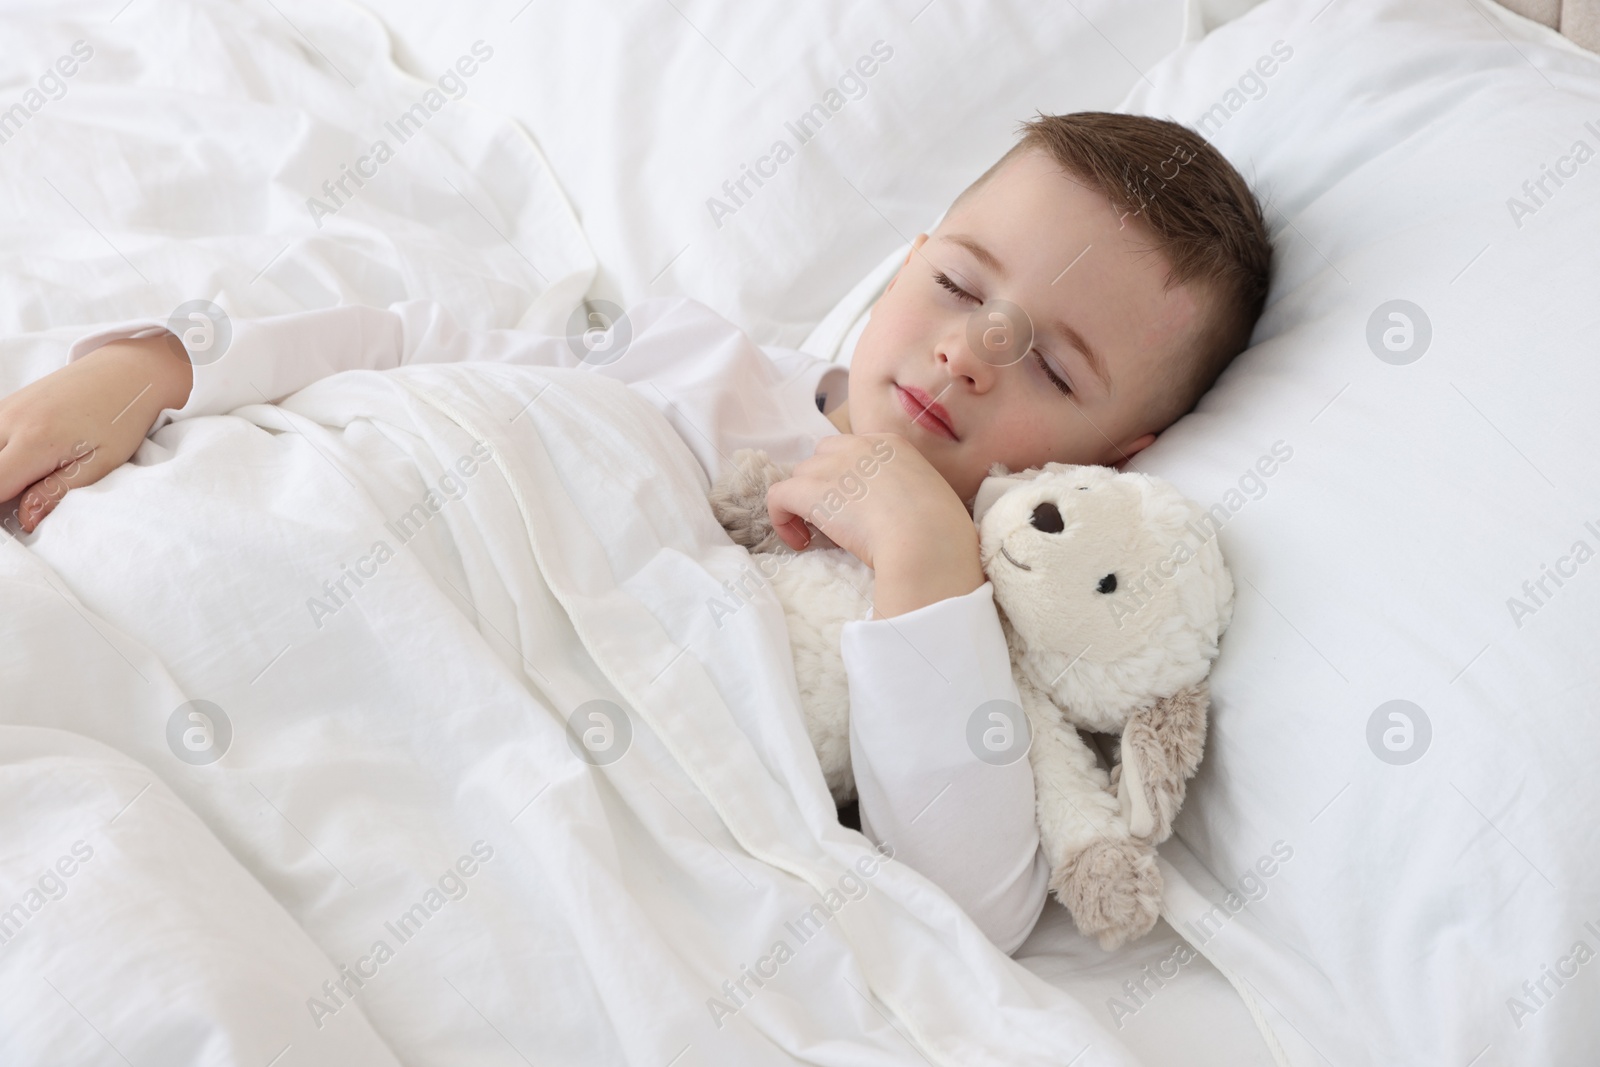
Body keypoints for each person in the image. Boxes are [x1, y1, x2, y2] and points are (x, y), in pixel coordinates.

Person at [0, 112, 1270, 954]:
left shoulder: (1004, 596)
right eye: (957, 284)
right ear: (907, 258)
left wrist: (920, 555)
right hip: (339, 546)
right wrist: (153, 369)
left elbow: (972, 902)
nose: (970, 351)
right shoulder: (691, 355)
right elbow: (402, 343)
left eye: (1051, 365)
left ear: (1115, 458)